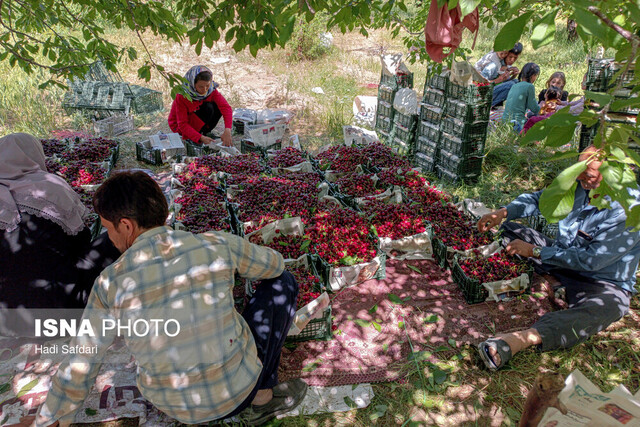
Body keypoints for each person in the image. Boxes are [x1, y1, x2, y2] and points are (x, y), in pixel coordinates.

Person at [35, 171, 306, 426]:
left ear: (126, 226)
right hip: (239, 392)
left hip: (176, 407)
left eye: (108, 228)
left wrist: (50, 418)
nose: (110, 236)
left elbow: (83, 357)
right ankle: (262, 396)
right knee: (284, 283)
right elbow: (276, 266)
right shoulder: (216, 244)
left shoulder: (110, 283)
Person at [475, 146, 640, 371]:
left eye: (589, 176)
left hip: (600, 280)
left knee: (610, 308)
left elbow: (592, 261)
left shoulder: (629, 210)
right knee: (510, 231)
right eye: (579, 171)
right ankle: (556, 284)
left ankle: (521, 339)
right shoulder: (578, 183)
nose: (581, 179)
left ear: (614, 176)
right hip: (562, 259)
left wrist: (535, 251)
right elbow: (540, 200)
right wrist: (503, 213)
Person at [0, 133, 119, 319]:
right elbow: (82, 240)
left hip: (7, 314)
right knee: (115, 235)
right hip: (62, 306)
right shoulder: (50, 188)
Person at [168, 65, 233, 147]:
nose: (205, 89)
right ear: (193, 83)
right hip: (181, 126)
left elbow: (225, 107)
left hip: (197, 116)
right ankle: (196, 136)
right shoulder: (182, 95)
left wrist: (227, 130)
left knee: (216, 106)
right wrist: (200, 137)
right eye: (201, 86)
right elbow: (182, 124)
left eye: (207, 85)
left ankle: (204, 133)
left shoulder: (211, 90)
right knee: (207, 108)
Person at [502, 62, 541, 132]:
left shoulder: (514, 85)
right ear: (533, 76)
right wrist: (542, 111)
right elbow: (533, 107)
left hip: (505, 121)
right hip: (518, 122)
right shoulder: (530, 86)